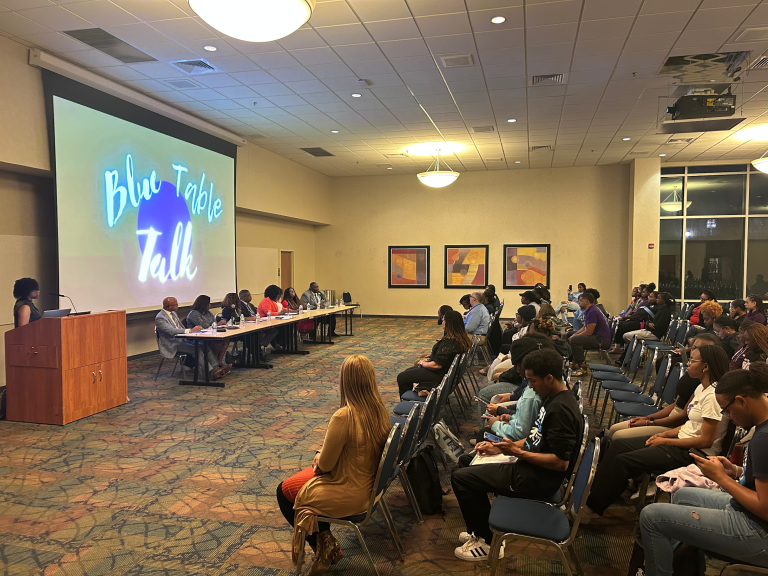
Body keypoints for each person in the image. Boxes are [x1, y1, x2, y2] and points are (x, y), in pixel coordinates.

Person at [451, 348, 583, 561]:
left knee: (461, 479)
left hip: (538, 478)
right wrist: (500, 447)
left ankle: (486, 542)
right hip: (530, 465)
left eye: (532, 381)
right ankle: (479, 528)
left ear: (549, 378)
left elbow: (560, 463)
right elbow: (535, 438)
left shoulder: (561, 411)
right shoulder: (552, 397)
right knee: (468, 461)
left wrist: (517, 452)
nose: (529, 386)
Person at [638, 365, 768, 576]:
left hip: (759, 531)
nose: (730, 418)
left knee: (651, 517)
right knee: (682, 494)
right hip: (752, 515)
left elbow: (765, 508)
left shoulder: (763, 439)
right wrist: (735, 471)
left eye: (727, 410)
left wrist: (721, 478)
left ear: (742, 401)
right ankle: (688, 568)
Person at [276, 355, 391, 576]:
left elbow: (326, 466)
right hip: (370, 486)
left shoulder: (345, 416)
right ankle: (325, 542)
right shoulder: (380, 409)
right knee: (303, 486)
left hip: (351, 492)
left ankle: (324, 548)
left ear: (344, 381)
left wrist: (319, 455)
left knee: (284, 492)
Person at [586, 345, 731, 517]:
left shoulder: (714, 396)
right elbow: (690, 425)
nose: (688, 364)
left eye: (692, 360)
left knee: (624, 461)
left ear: (705, 366)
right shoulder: (701, 388)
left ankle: (590, 508)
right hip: (679, 441)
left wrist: (667, 440)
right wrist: (664, 433)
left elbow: (705, 441)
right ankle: (592, 491)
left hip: (695, 453)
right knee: (619, 445)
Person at [605, 334, 721, 441]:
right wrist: (648, 418)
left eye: (702, 349)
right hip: (667, 418)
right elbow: (676, 405)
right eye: (694, 347)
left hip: (675, 427)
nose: (695, 352)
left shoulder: (705, 384)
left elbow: (682, 416)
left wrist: (650, 423)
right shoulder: (694, 376)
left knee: (618, 436)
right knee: (614, 429)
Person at [396, 310, 471, 396]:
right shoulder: (459, 339)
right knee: (407, 372)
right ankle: (410, 398)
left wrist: (423, 363)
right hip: (444, 373)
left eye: (443, 320)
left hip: (438, 374)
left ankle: (408, 402)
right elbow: (445, 357)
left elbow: (436, 365)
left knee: (402, 377)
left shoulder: (451, 343)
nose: (442, 322)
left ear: (448, 324)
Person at [155, 296, 229, 380]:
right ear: (168, 306)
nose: (177, 306)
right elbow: (171, 331)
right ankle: (209, 373)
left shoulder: (173, 313)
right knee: (196, 349)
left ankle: (216, 368)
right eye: (175, 304)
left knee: (203, 346)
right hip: (172, 344)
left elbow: (180, 327)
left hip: (183, 340)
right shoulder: (160, 318)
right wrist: (190, 331)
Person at [569, 291, 612, 376]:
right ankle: (573, 361)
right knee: (568, 335)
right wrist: (573, 335)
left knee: (575, 340)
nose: (579, 302)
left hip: (601, 340)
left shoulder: (592, 312)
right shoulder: (589, 310)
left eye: (580, 301)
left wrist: (574, 337)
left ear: (587, 302)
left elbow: (589, 331)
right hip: (596, 336)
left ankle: (582, 367)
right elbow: (584, 327)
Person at [186, 294, 231, 368]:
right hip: (198, 337)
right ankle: (214, 364)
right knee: (217, 343)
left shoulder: (208, 313)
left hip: (210, 334)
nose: (210, 305)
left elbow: (214, 323)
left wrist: (218, 324)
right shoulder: (193, 314)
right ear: (203, 304)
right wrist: (217, 324)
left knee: (226, 340)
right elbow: (204, 326)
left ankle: (219, 362)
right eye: (208, 304)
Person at [257, 284, 283, 351]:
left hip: (273, 321)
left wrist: (292, 311)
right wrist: (280, 313)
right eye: (278, 294)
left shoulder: (276, 301)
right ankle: (261, 344)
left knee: (283, 328)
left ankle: (279, 344)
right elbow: (268, 313)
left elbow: (282, 309)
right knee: (274, 331)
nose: (279, 296)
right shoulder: (266, 301)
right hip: (263, 322)